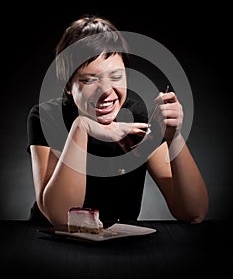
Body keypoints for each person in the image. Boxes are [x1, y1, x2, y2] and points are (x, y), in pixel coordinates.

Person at [27, 14, 209, 226]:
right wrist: (81, 127)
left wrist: (174, 138)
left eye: (116, 77)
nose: (106, 91)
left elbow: (194, 212)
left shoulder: (138, 118)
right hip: (52, 244)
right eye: (89, 80)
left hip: (120, 247)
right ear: (68, 85)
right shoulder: (47, 117)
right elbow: (61, 218)